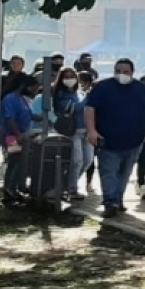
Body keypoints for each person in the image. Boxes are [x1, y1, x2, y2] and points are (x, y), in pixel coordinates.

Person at [85, 58, 145, 217]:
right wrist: (91, 131)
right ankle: (110, 201)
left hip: (134, 140)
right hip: (108, 140)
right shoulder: (103, 87)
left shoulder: (140, 88)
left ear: (132, 72)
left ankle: (118, 198)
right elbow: (89, 108)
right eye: (118, 71)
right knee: (108, 171)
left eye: (126, 71)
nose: (122, 74)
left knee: (125, 172)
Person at [53, 67, 90, 200]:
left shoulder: (79, 93)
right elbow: (75, 108)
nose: (69, 80)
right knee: (76, 161)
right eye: (66, 77)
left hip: (86, 130)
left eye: (72, 76)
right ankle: (71, 188)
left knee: (87, 160)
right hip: (73, 131)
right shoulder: (60, 95)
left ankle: (66, 184)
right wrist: (88, 97)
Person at [1, 75, 39, 202]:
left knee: (19, 162)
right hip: (11, 136)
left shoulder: (22, 99)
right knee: (14, 161)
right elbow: (9, 118)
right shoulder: (10, 99)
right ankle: (9, 188)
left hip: (23, 135)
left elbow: (29, 115)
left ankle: (15, 186)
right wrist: (17, 134)